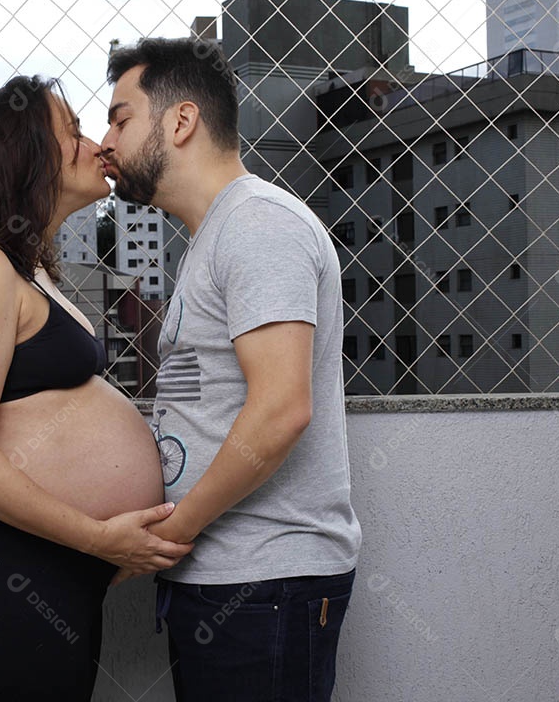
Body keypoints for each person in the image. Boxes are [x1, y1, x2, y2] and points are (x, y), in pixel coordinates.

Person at [0, 75, 192, 701]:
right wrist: (99, 539)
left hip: (47, 572)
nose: (95, 147)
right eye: (75, 133)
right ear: (24, 154)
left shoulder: (21, 266)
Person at [100, 38, 363, 701]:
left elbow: (281, 409)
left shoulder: (257, 226)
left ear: (180, 121)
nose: (106, 142)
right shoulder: (214, 236)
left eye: (121, 117)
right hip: (230, 582)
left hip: (264, 583)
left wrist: (174, 532)